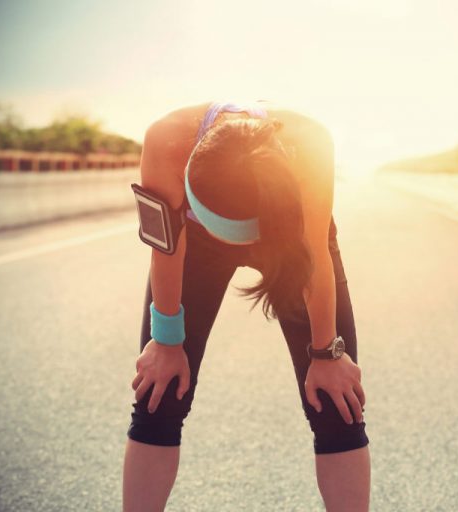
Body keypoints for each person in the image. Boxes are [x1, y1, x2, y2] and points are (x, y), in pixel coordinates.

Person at [121, 100, 371, 511]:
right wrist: (166, 344)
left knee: (336, 400)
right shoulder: (167, 141)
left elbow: (314, 255)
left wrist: (326, 353)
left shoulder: (308, 145)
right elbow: (165, 248)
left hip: (287, 236)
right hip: (195, 245)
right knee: (159, 392)